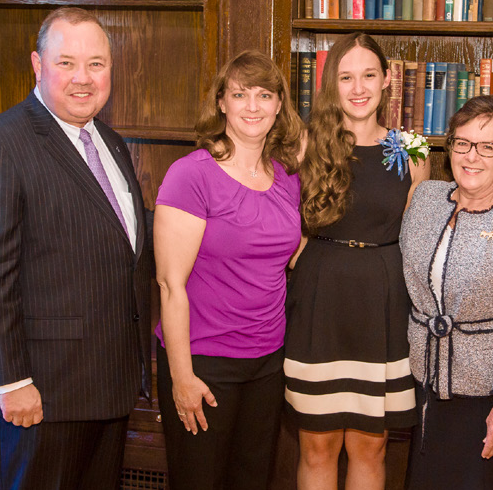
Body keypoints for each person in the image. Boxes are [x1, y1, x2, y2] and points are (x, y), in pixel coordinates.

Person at [0, 7, 152, 488]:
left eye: (97, 64)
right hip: (40, 395)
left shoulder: (110, 140)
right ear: (38, 67)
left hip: (108, 385)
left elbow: (120, 255)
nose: (83, 78)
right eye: (66, 63)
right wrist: (12, 382)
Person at [284, 32, 429, 490]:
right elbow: (286, 230)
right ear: (333, 83)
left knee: (371, 445)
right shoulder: (305, 144)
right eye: (347, 77)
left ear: (387, 80)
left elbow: (419, 238)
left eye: (369, 75)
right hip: (319, 302)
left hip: (383, 306)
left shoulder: (413, 150)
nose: (358, 87)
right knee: (318, 446)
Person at [153, 49, 303, 489]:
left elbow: (285, 257)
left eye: (263, 94)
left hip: (267, 363)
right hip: (204, 362)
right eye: (240, 94)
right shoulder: (191, 175)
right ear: (222, 103)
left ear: (279, 104)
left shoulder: (286, 176)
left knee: (252, 480)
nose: (252, 106)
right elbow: (169, 285)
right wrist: (182, 377)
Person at [400, 95, 493, 490]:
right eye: (463, 143)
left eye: (488, 147)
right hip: (426, 389)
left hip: (487, 398)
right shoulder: (426, 199)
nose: (472, 156)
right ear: (449, 147)